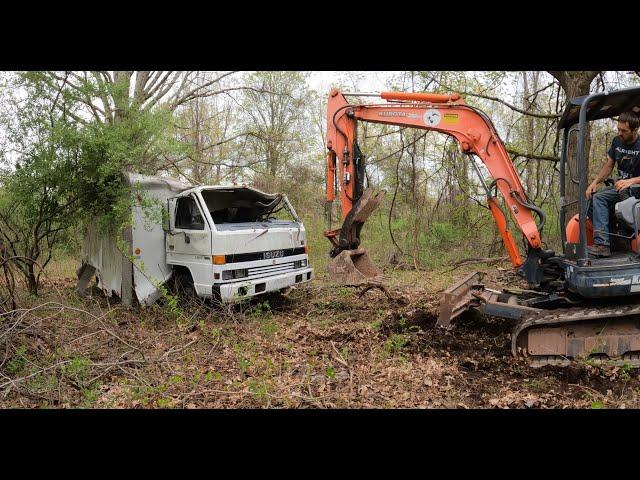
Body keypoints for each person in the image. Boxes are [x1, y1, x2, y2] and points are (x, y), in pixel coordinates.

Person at [586, 111, 640, 257]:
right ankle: (615, 240)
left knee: (600, 198)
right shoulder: (617, 141)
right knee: (592, 200)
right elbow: (609, 165)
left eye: (624, 130)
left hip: (636, 190)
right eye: (618, 129)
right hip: (622, 188)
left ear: (635, 130)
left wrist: (631, 181)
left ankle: (602, 245)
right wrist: (595, 182)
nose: (620, 133)